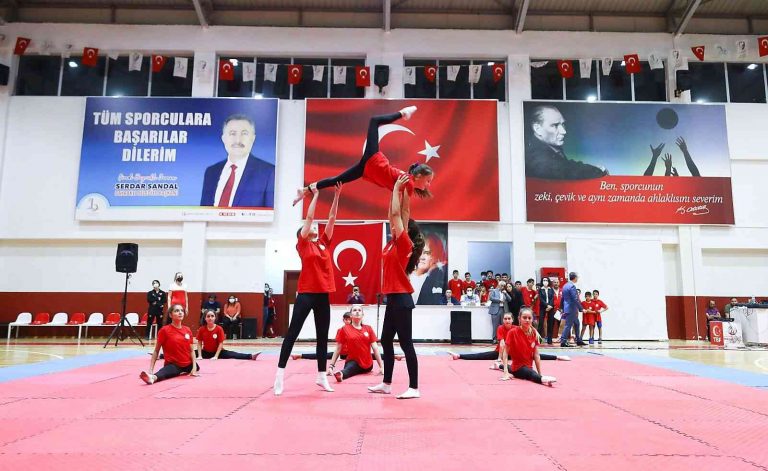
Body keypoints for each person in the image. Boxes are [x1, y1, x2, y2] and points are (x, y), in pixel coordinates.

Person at [274, 183, 342, 396]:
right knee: (292, 333)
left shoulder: (323, 244)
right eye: (309, 228)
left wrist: (336, 195)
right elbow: (310, 218)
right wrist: (315, 195)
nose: (314, 228)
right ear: (301, 235)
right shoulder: (303, 245)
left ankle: (321, 376)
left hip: (323, 295)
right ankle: (279, 375)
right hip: (306, 294)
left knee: (323, 337)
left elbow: (332, 218)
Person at [293, 106, 433, 206]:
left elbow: (397, 205)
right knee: (374, 121)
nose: (429, 184)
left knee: (337, 180)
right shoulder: (409, 183)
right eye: (428, 181)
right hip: (375, 162)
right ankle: (402, 113)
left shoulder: (409, 182)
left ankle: (305, 190)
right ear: (419, 176)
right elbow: (404, 211)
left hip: (369, 168)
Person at [369, 175, 423, 399]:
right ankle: (387, 383)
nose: (393, 224)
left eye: (397, 225)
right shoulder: (393, 243)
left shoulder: (404, 243)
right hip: (393, 298)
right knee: (385, 340)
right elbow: (401, 212)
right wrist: (405, 192)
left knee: (406, 343)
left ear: (405, 230)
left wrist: (395, 188)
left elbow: (395, 215)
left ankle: (414, 387)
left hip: (401, 298)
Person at [200, 114, 275, 208]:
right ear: (223, 138)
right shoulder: (211, 172)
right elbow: (203, 211)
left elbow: (270, 213)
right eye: (232, 133)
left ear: (253, 138)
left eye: (244, 133)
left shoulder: (268, 172)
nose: (238, 140)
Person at [450, 313, 571, 368]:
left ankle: (557, 357)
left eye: (509, 319)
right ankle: (459, 355)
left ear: (513, 320)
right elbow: (502, 343)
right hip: (501, 352)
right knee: (481, 355)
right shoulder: (500, 328)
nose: (507, 321)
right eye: (505, 319)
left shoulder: (516, 328)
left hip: (515, 353)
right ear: (503, 320)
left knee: (535, 355)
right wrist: (500, 358)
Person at [525, 104, 608, 180]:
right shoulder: (534, 155)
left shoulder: (550, 150)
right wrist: (597, 170)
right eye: (555, 125)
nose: (564, 131)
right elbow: (564, 169)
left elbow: (565, 164)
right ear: (537, 129)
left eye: (563, 124)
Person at [140, 304, 198, 385]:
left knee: (197, 367)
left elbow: (191, 351)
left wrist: (194, 367)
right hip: (174, 364)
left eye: (182, 311)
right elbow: (156, 351)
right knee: (166, 372)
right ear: (170, 315)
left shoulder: (187, 330)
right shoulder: (164, 330)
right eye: (177, 311)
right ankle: (152, 378)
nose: (180, 312)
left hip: (187, 364)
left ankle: (188, 368)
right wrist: (151, 370)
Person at [500, 307, 557, 386]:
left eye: (529, 318)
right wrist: (506, 373)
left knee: (528, 371)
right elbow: (505, 352)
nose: (527, 320)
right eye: (524, 318)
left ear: (532, 319)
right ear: (519, 319)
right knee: (530, 373)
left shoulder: (534, 332)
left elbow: (536, 355)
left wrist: (540, 373)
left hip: (528, 366)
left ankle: (499, 366)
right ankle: (542, 380)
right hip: (517, 368)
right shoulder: (512, 332)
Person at [329, 305, 384, 382]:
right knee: (351, 367)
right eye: (354, 310)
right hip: (352, 361)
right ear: (351, 315)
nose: (357, 312)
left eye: (359, 310)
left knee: (354, 368)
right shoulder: (344, 329)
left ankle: (345, 372)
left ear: (362, 314)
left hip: (367, 364)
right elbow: (338, 349)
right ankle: (342, 374)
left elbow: (375, 348)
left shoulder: (368, 328)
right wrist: (331, 367)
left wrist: (381, 367)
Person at [410, 233, 447, 305]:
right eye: (420, 252)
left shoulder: (433, 280)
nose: (422, 257)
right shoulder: (407, 275)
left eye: (427, 253)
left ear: (434, 256)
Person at [559, 272, 586, 347]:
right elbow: (575, 299)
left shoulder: (565, 286)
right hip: (571, 308)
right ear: (575, 278)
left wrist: (561, 307)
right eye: (577, 277)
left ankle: (578, 340)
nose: (577, 279)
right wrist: (581, 309)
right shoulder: (572, 286)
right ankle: (563, 341)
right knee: (568, 325)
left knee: (577, 323)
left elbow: (562, 298)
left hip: (567, 308)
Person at [547, 278, 563, 345]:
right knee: (550, 325)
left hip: (560, 310)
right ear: (552, 283)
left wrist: (562, 308)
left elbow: (564, 300)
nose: (556, 283)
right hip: (552, 310)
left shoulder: (562, 290)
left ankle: (561, 339)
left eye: (557, 282)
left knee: (561, 325)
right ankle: (549, 340)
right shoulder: (549, 290)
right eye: (555, 282)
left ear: (559, 283)